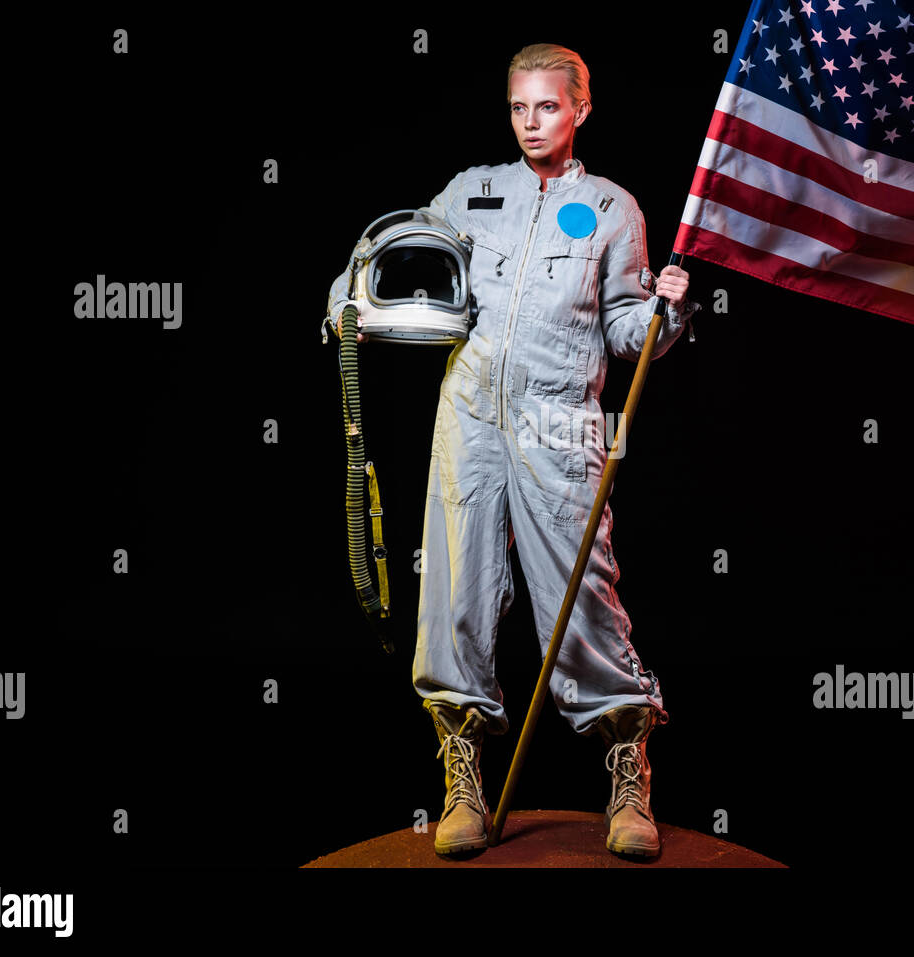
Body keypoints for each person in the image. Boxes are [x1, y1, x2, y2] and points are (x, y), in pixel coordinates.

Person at [338, 43, 697, 859]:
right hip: (468, 415)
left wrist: (667, 313)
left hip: (562, 422)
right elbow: (394, 253)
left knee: (580, 597)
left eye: (548, 107)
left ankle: (625, 766)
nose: (532, 123)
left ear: (580, 109)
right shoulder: (473, 191)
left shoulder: (612, 208)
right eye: (518, 108)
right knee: (455, 592)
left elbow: (624, 329)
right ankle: (461, 772)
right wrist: (346, 301)